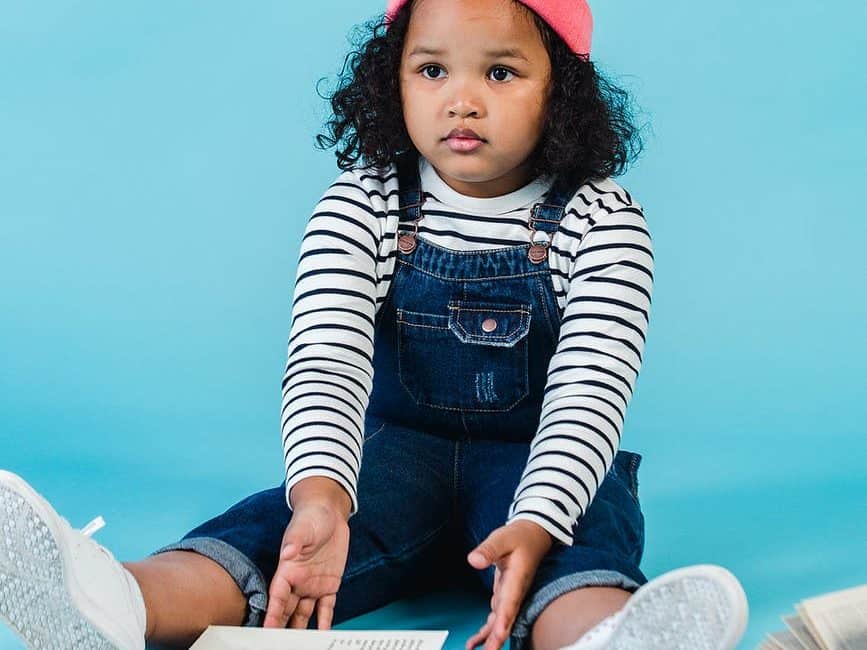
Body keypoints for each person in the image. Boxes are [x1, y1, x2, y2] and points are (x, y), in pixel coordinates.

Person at [0, 0, 750, 649]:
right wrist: (322, 494)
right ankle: (120, 600)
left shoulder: (602, 219)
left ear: (562, 89)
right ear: (390, 80)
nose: (461, 100)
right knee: (274, 538)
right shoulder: (362, 203)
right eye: (431, 70)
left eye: (499, 72)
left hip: (541, 457)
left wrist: (538, 520)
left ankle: (605, 635)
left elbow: (592, 384)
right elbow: (326, 359)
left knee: (577, 546)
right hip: (395, 460)